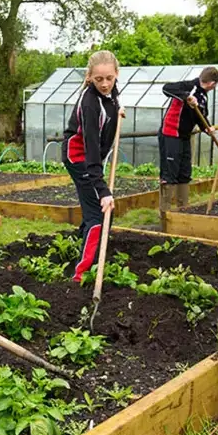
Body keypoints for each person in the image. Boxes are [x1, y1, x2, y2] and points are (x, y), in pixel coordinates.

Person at [61, 51, 125, 282]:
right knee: (99, 214)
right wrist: (103, 190)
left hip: (93, 156)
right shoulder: (89, 104)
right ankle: (80, 274)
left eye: (110, 78)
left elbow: (113, 96)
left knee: (95, 210)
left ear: (116, 74)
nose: (106, 84)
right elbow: (90, 148)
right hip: (80, 158)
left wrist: (118, 110)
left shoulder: (110, 92)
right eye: (99, 80)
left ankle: (84, 245)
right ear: (89, 77)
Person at [159, 67, 218, 210]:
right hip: (171, 134)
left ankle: (183, 207)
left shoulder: (203, 96)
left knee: (185, 171)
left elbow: (200, 116)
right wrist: (187, 96)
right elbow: (166, 88)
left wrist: (207, 128)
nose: (214, 87)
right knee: (170, 173)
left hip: (185, 136)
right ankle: (165, 211)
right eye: (215, 84)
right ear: (212, 83)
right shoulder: (189, 86)